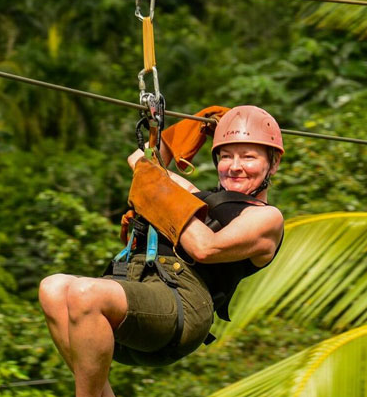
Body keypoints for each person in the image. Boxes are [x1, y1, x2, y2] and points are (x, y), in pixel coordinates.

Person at [38, 106, 285, 397]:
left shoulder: (266, 218)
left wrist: (162, 197)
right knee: (52, 288)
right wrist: (188, 127)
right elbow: (140, 163)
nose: (234, 166)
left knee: (84, 293)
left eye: (248, 157)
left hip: (182, 305)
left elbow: (205, 247)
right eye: (226, 155)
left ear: (273, 163)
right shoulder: (194, 197)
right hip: (139, 287)